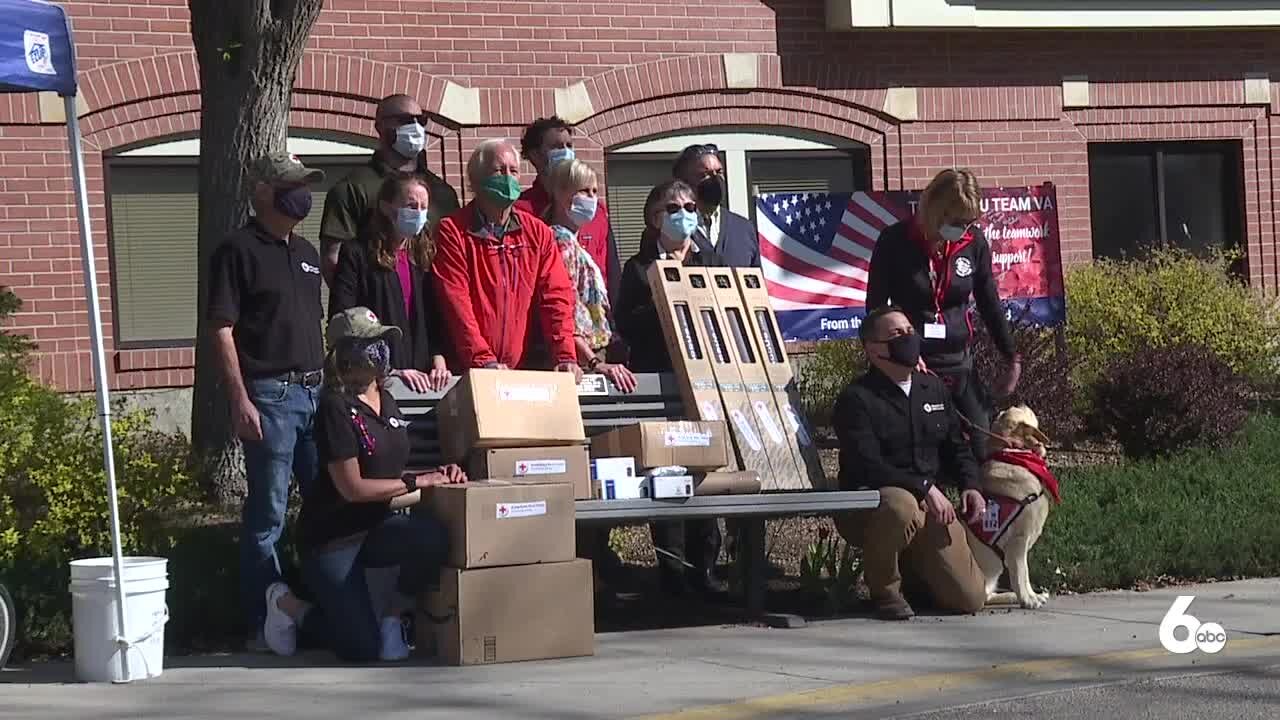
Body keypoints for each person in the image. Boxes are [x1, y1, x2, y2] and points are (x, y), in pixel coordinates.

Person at [262, 307, 463, 662]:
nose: (383, 351)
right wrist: (418, 480)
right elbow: (353, 489)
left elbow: (395, 476)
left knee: (433, 537)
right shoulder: (334, 408)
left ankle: (392, 618)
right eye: (372, 344)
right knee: (360, 648)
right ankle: (287, 605)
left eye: (384, 343)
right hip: (333, 539)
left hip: (376, 527)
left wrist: (440, 475)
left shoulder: (388, 400)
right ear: (346, 354)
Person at [206, 152, 327, 647]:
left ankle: (321, 600)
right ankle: (265, 617)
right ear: (262, 192)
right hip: (271, 396)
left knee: (325, 504)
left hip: (316, 392)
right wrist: (240, 399)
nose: (302, 193)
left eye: (305, 184)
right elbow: (221, 327)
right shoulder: (237, 250)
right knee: (268, 514)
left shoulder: (308, 252)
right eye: (291, 184)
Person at [832, 305, 988, 620]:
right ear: (874, 350)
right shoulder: (857, 399)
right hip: (872, 506)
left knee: (969, 599)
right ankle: (885, 592)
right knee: (901, 504)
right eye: (897, 334)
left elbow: (957, 447)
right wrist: (925, 488)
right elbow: (869, 466)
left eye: (909, 331)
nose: (908, 338)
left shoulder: (933, 389)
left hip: (927, 508)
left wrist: (971, 485)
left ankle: (915, 575)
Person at [615, 179, 726, 596]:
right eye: (673, 207)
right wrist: (667, 298)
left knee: (704, 472)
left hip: (704, 383)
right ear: (654, 219)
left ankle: (707, 570)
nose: (684, 214)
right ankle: (674, 572)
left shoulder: (710, 260)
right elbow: (626, 323)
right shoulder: (638, 268)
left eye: (690, 205)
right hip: (660, 381)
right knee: (668, 474)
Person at [865, 168, 1020, 460]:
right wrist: (902, 352)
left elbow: (989, 301)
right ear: (935, 209)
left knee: (979, 443)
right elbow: (876, 308)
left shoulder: (973, 243)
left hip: (958, 361)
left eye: (969, 221)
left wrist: (1011, 356)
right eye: (957, 221)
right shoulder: (894, 241)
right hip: (913, 363)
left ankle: (975, 501)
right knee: (920, 448)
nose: (963, 227)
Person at [431, 138, 581, 382]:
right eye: (499, 170)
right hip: (468, 371)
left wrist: (565, 356)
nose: (508, 178)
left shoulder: (538, 233)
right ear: (477, 179)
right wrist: (483, 361)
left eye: (513, 171)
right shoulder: (453, 231)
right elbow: (456, 301)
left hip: (521, 369)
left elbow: (556, 298)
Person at [329, 173, 451, 393]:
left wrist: (439, 359)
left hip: (424, 378)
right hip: (377, 381)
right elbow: (344, 319)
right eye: (411, 205)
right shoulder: (357, 254)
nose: (419, 213)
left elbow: (435, 318)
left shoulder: (422, 255)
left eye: (424, 207)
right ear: (386, 207)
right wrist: (390, 369)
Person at [320, 94, 460, 285]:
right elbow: (333, 258)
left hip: (431, 304)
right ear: (380, 127)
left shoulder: (442, 193)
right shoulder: (353, 187)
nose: (416, 127)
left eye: (421, 120)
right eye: (404, 120)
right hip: (378, 303)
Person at [543, 158, 636, 393]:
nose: (592, 198)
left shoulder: (573, 242)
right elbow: (565, 310)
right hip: (582, 357)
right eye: (584, 191)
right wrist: (596, 362)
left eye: (595, 191)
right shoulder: (560, 242)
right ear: (562, 195)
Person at [515, 116, 615, 287]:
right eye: (557, 147)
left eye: (569, 145)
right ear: (535, 156)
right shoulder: (521, 211)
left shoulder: (597, 209)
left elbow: (612, 271)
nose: (566, 152)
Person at [672, 143, 760, 268]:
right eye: (704, 175)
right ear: (684, 183)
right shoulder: (672, 227)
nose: (715, 179)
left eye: (719, 172)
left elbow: (757, 283)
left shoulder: (744, 229)